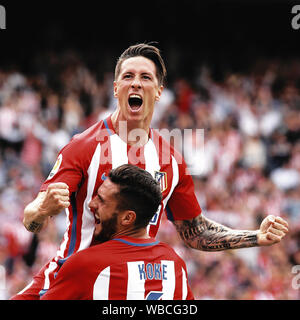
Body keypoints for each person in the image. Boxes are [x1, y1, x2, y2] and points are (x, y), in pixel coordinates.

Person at [11, 43, 289, 300]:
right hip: (71, 282)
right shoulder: (82, 148)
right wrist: (42, 210)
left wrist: (255, 237)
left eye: (145, 77)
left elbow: (194, 231)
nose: (136, 82)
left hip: (131, 285)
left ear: (158, 90)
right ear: (116, 87)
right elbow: (31, 220)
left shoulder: (172, 160)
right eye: (128, 76)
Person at [40, 164, 194, 300]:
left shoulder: (86, 265)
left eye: (102, 200)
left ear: (127, 218)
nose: (92, 204)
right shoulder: (175, 263)